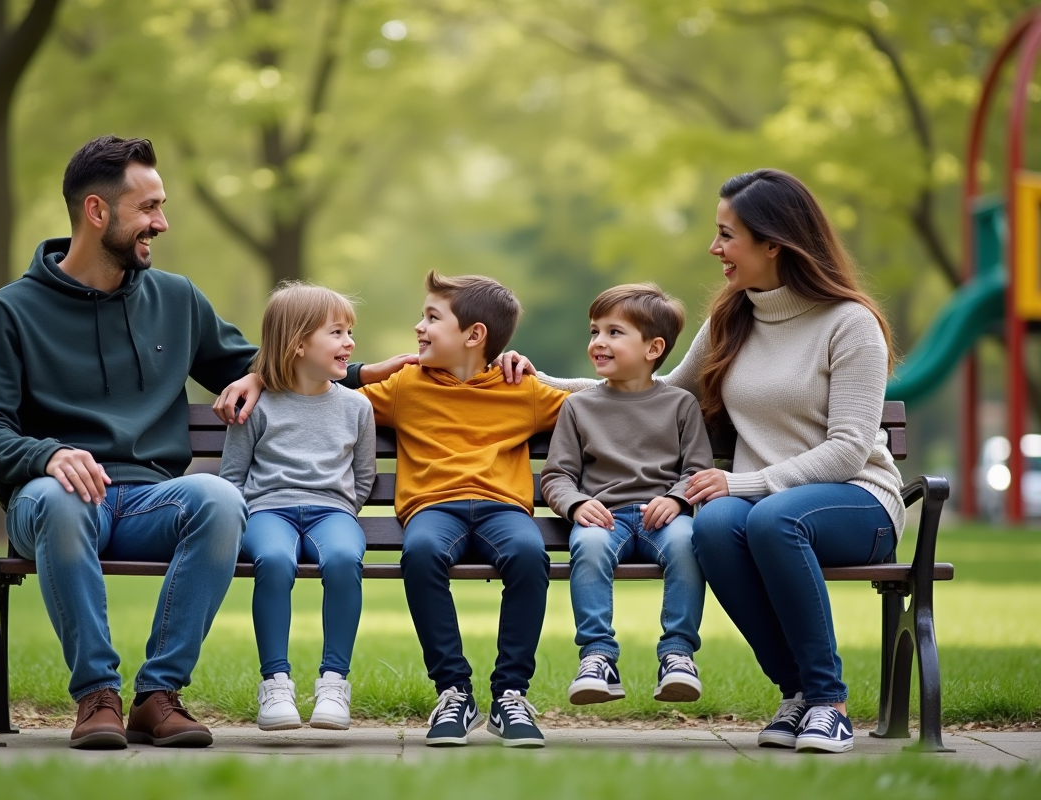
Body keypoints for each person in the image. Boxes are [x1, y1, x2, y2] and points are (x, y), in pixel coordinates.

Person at [0, 135, 407, 749]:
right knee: (63, 501)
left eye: (160, 207)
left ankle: (158, 695)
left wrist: (350, 375)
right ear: (96, 211)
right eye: (148, 209)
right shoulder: (10, 311)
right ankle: (97, 696)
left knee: (219, 500)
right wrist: (47, 454)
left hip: (150, 500)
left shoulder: (176, 299)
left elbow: (270, 361)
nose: (161, 223)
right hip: (56, 499)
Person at [497, 169, 904, 755]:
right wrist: (538, 381)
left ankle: (828, 701)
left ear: (774, 243)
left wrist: (745, 482)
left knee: (767, 518)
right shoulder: (732, 320)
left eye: (726, 236)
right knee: (714, 525)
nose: (715, 250)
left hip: (855, 500)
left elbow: (847, 447)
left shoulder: (850, 323)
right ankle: (796, 693)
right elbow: (654, 390)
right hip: (762, 504)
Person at [355, 271, 568, 748]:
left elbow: (602, 404)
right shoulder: (404, 386)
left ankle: (510, 693)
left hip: (502, 509)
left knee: (530, 556)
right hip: (434, 508)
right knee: (422, 552)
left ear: (475, 336)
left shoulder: (524, 390)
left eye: (433, 317)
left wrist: (542, 375)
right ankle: (454, 691)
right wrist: (264, 377)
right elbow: (331, 406)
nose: (419, 327)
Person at [540, 284, 713, 708]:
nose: (598, 342)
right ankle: (597, 657)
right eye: (594, 331)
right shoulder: (579, 407)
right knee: (591, 547)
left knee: (689, 545)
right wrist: (578, 504)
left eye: (614, 332)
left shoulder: (681, 405)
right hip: (605, 517)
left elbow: (697, 470)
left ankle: (677, 654)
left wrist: (676, 500)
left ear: (653, 347)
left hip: (665, 517)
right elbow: (557, 476)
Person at [218, 282, 376, 732]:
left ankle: (333, 682)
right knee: (273, 559)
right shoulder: (258, 404)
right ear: (299, 343)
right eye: (338, 333)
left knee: (345, 557)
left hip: (333, 514)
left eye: (350, 332)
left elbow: (363, 478)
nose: (350, 343)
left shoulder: (356, 407)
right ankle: (276, 682)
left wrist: (342, 509)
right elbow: (233, 477)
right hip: (269, 512)